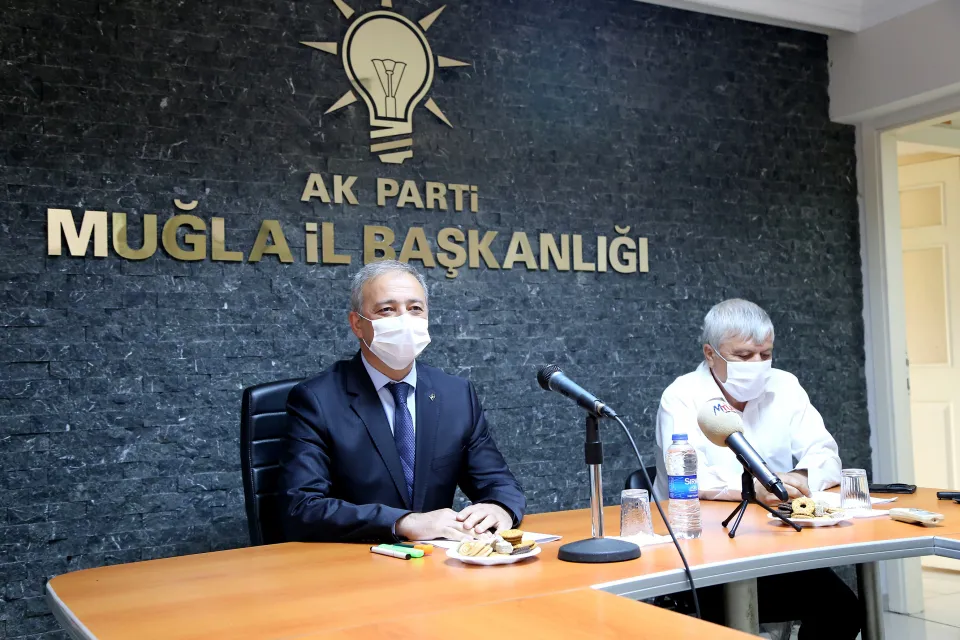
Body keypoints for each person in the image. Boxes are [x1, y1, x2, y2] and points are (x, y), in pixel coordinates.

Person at [654, 298, 859, 639]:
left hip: (774, 543)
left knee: (843, 611)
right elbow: (689, 477)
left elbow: (824, 453)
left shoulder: (785, 386)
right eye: (744, 355)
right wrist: (755, 487)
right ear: (710, 354)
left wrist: (800, 477)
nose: (758, 365)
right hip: (702, 552)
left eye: (765, 354)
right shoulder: (681, 396)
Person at [279, 260, 525, 543]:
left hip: (438, 559)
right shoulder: (317, 400)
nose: (404, 320)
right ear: (357, 324)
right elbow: (301, 507)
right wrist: (404, 523)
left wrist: (499, 508)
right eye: (387, 310)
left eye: (415, 308)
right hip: (354, 560)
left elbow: (499, 483)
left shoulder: (456, 394)